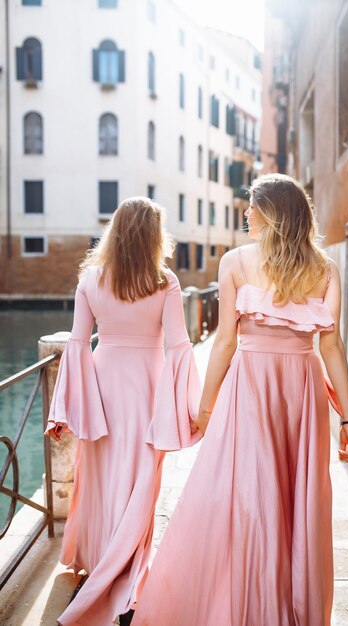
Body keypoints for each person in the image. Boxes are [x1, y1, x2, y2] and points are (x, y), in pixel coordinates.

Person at [131, 174, 348, 626]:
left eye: (252, 206)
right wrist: (346, 421)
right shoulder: (325, 269)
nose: (246, 213)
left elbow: (225, 341)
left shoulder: (235, 263)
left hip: (251, 388)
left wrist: (206, 409)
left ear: (271, 212)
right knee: (293, 498)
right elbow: (331, 347)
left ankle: (248, 606)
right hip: (299, 392)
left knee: (245, 497)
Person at [45, 197, 201, 626]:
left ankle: (100, 565)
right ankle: (127, 575)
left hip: (103, 387)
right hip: (146, 391)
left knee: (98, 481)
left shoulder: (91, 278)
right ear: (154, 236)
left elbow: (76, 345)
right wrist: (191, 406)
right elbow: (179, 346)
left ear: (115, 230)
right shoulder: (164, 281)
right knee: (139, 483)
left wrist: (63, 410)